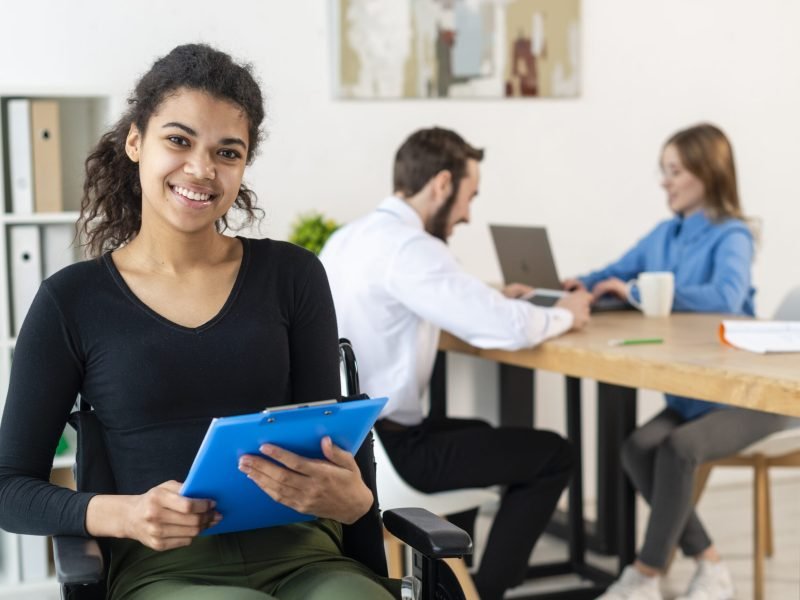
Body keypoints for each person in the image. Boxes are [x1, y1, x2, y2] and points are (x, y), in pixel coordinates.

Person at [0, 44, 400, 600]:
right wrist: (124, 515)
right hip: (167, 570)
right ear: (135, 141)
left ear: (243, 167)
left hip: (306, 554)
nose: (201, 169)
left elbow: (333, 446)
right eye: (178, 140)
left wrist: (356, 502)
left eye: (227, 152)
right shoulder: (72, 300)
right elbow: (9, 488)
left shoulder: (293, 275)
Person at [320, 126, 593, 600]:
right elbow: (504, 328)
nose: (467, 214)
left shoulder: (349, 238)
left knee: (476, 430)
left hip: (352, 442)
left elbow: (439, 301)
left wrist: (490, 297)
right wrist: (564, 314)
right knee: (553, 455)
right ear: (442, 184)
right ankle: (484, 592)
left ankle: (447, 586)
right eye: (470, 196)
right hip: (390, 453)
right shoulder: (411, 248)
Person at [563, 123, 789, 600]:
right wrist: (567, 286)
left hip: (747, 392)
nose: (665, 182)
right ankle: (710, 564)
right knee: (637, 447)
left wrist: (640, 292)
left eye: (675, 171)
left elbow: (725, 295)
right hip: (695, 392)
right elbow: (614, 272)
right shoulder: (667, 233)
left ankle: (645, 575)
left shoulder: (733, 235)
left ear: (708, 174)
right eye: (663, 171)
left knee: (678, 448)